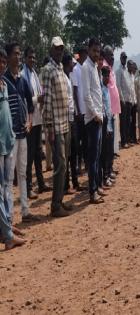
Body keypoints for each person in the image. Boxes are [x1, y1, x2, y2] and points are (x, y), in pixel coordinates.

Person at [3, 42, 37, 222]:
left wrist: (30, 122)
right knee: (9, 178)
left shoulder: (22, 80)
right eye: (14, 54)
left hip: (23, 135)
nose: (18, 57)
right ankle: (9, 217)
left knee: (23, 173)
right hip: (9, 138)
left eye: (18, 54)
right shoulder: (4, 80)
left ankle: (25, 211)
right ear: (7, 57)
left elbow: (31, 105)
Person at [41, 36, 72, 217]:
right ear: (51, 50)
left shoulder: (61, 69)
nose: (59, 51)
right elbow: (46, 101)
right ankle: (55, 206)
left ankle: (59, 201)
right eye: (57, 49)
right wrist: (50, 128)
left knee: (64, 164)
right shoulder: (47, 70)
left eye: (61, 49)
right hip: (55, 126)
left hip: (64, 122)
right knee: (59, 166)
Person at [0, 48, 26, 249]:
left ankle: (7, 224)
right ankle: (7, 235)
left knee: (8, 186)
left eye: (2, 61)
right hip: (1, 145)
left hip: (8, 141)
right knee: (1, 190)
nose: (1, 64)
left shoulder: (3, 84)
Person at [21, 47, 51, 200]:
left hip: (38, 118)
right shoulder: (23, 75)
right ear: (25, 59)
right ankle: (28, 188)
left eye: (34, 57)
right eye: (30, 57)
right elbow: (24, 99)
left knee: (38, 153)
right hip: (29, 119)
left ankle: (41, 183)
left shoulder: (33, 74)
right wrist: (36, 99)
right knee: (30, 154)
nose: (32, 60)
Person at [82, 38, 105, 204]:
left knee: (97, 155)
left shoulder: (95, 67)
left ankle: (97, 187)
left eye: (98, 51)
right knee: (92, 157)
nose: (97, 54)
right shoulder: (85, 67)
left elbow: (97, 93)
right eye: (94, 51)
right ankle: (92, 192)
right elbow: (86, 95)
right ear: (89, 50)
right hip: (92, 119)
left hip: (99, 117)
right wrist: (96, 114)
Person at [63, 54, 84, 194]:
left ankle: (75, 182)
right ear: (67, 64)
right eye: (72, 63)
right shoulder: (63, 79)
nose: (74, 65)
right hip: (67, 120)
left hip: (72, 118)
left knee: (75, 151)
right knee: (68, 154)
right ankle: (66, 185)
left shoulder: (69, 78)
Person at [102, 46, 120, 167]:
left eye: (113, 55)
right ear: (105, 56)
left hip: (113, 109)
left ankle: (110, 168)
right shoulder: (104, 68)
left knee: (112, 140)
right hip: (108, 111)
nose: (112, 57)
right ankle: (108, 170)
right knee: (107, 142)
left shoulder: (111, 68)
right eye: (110, 55)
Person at [71, 46, 88, 175]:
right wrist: (77, 110)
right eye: (85, 54)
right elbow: (75, 90)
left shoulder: (85, 69)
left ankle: (85, 164)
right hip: (79, 112)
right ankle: (78, 166)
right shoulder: (76, 69)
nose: (86, 57)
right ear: (81, 55)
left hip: (86, 111)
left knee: (85, 140)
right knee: (78, 142)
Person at [100, 66, 114, 188]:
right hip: (104, 124)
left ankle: (108, 173)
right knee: (104, 152)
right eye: (105, 75)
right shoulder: (100, 89)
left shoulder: (107, 88)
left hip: (109, 123)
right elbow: (103, 108)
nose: (107, 78)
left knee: (109, 151)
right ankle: (105, 177)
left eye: (108, 76)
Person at [115, 52, 132, 149]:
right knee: (123, 122)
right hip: (123, 100)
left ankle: (127, 140)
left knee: (127, 121)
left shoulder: (126, 71)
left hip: (128, 99)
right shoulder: (119, 71)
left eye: (125, 58)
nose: (124, 59)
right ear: (120, 58)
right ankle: (123, 141)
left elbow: (128, 85)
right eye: (123, 58)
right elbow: (118, 86)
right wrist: (122, 99)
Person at [128, 60, 137, 144]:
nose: (132, 68)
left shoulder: (133, 76)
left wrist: (135, 100)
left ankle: (134, 138)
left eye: (133, 67)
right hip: (129, 102)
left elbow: (133, 90)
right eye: (131, 66)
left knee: (134, 121)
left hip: (134, 102)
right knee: (129, 121)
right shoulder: (127, 75)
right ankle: (129, 138)